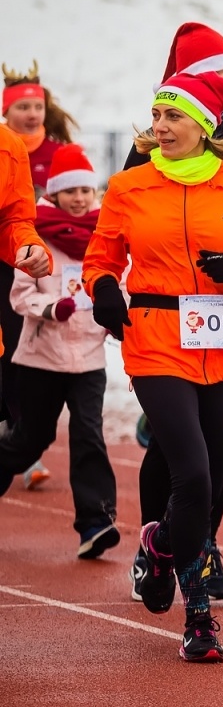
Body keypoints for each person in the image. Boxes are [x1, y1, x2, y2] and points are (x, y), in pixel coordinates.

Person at [83, 70, 223, 663]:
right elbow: (102, 255)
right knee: (191, 473)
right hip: (154, 339)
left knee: (213, 477)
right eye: (157, 116)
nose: (161, 127)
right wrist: (101, 288)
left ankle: (161, 543)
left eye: (173, 117)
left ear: (202, 125)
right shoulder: (129, 187)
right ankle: (199, 618)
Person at [126, 23, 223, 604]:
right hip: (165, 319)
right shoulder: (156, 136)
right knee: (176, 446)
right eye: (218, 75)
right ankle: (155, 546)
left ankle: (203, 541)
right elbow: (131, 213)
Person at [0, 144, 117, 558]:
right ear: (54, 194)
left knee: (89, 435)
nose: (80, 198)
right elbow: (19, 296)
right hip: (41, 358)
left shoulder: (106, 234)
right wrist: (50, 308)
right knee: (32, 439)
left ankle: (96, 523)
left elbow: (119, 284)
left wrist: (116, 317)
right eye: (70, 191)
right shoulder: (34, 235)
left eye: (86, 190)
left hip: (88, 357)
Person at [1, 62, 78, 489]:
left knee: (21, 352)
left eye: (37, 106)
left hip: (34, 266)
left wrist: (30, 242)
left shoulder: (48, 152)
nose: (32, 113)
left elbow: (16, 216)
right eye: (23, 106)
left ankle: (21, 441)